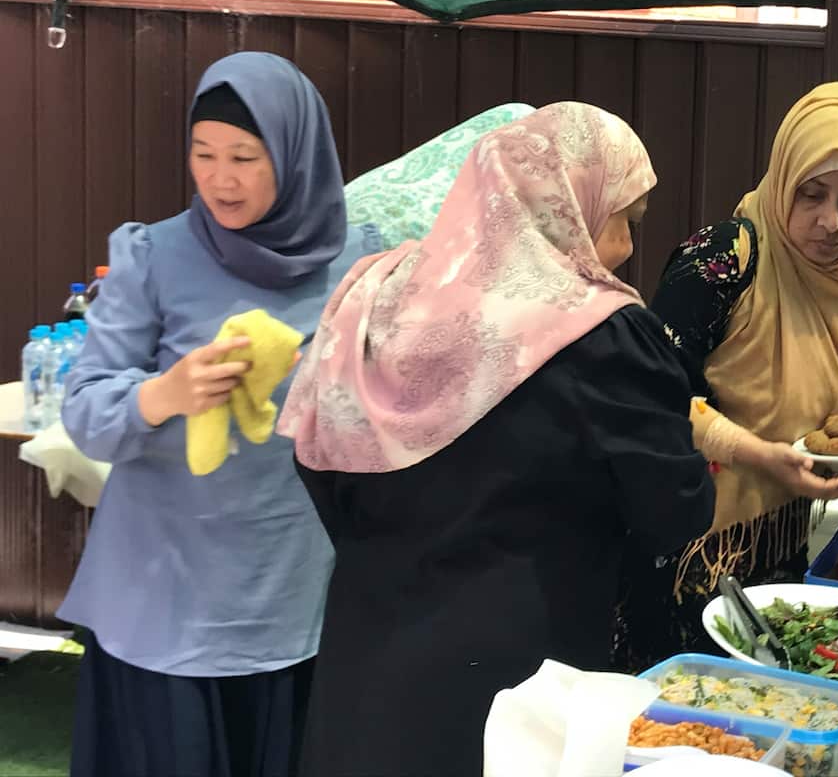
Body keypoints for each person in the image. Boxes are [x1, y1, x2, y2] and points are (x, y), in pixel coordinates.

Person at [278, 101, 718, 777]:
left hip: (368, 655)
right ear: (567, 208)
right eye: (624, 220)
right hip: (518, 678)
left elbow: (321, 457)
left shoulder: (376, 296)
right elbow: (674, 510)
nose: (630, 249)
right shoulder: (604, 339)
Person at [59, 52, 382, 777]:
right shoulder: (154, 254)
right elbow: (84, 410)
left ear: (296, 155)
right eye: (202, 154)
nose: (219, 178)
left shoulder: (359, 259)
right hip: (165, 594)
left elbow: (392, 399)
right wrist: (165, 393)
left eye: (244, 156)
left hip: (293, 582)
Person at [613, 81, 838, 669]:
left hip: (785, 547)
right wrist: (757, 453)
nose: (831, 222)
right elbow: (648, 397)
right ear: (782, 181)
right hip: (689, 550)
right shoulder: (726, 259)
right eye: (811, 194)